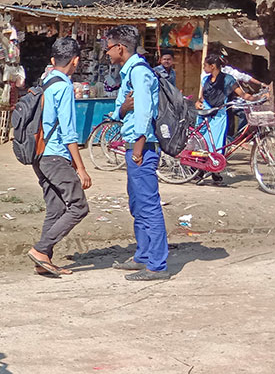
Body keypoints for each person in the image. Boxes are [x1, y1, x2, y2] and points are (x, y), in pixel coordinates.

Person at [107, 25, 170, 281]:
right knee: (137, 204)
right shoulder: (130, 72)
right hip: (134, 147)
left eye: (108, 48)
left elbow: (144, 113)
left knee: (148, 205)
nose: (107, 53)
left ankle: (157, 265)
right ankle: (142, 255)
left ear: (120, 47)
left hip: (141, 149)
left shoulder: (140, 73)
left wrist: (139, 150)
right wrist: (122, 109)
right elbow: (120, 112)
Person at [26, 37, 92, 277]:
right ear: (75, 61)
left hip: (39, 154)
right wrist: (81, 168)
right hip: (55, 155)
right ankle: (41, 249)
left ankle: (43, 259)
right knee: (78, 206)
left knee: (55, 208)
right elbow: (68, 132)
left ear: (53, 60)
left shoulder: (45, 80)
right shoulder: (64, 87)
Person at [196, 51, 254, 185]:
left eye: (205, 65)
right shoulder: (206, 80)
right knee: (202, 143)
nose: (204, 67)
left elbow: (243, 95)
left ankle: (215, 172)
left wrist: (257, 98)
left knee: (217, 145)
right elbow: (202, 98)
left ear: (212, 66)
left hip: (219, 116)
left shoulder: (228, 80)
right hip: (205, 114)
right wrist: (198, 102)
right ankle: (199, 171)